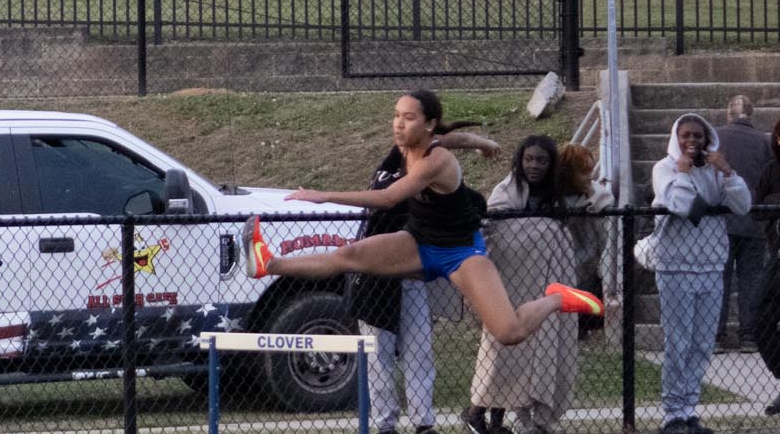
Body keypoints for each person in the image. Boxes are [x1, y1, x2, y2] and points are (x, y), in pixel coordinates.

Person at [242, 90, 603, 358]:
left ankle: (558, 298)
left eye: (409, 117)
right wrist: (483, 143)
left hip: (461, 252)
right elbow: (458, 137)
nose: (399, 124)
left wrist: (323, 195)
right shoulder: (412, 145)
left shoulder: (436, 160)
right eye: (396, 115)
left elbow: (389, 198)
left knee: (509, 332)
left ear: (428, 124)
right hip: (419, 242)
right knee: (347, 256)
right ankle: (268, 263)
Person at [348, 124, 499, 434]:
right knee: (378, 355)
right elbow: (449, 144)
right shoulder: (396, 171)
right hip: (375, 277)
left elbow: (451, 142)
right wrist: (482, 144)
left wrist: (482, 143)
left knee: (419, 350)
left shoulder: (428, 172)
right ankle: (385, 427)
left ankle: (423, 425)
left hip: (410, 276)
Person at [468, 136, 579, 434]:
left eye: (541, 160)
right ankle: (476, 413)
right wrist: (539, 229)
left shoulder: (558, 197)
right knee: (502, 351)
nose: (534, 166)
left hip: (543, 289)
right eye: (528, 159)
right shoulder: (505, 193)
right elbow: (493, 232)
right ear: (519, 161)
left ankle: (503, 422)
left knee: (535, 351)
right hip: (508, 286)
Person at [649, 112, 752, 434]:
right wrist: (682, 172)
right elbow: (680, 204)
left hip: (710, 265)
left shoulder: (714, 172)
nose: (692, 141)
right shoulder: (664, 169)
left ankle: (689, 409)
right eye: (686, 136)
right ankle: (672, 413)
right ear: (676, 138)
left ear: (708, 139)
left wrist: (727, 171)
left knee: (702, 343)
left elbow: (743, 205)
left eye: (698, 136)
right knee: (678, 342)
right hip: (675, 266)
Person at [718, 96, 772, 352]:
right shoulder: (765, 142)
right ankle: (749, 336)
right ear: (752, 115)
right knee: (752, 279)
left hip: (722, 220)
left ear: (728, 114)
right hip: (754, 220)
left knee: (720, 279)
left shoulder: (717, 137)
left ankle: (716, 335)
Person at [556, 143, 616, 342]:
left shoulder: (594, 194)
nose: (589, 177)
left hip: (588, 263)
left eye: (591, 170)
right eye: (583, 172)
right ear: (568, 172)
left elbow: (606, 201)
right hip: (561, 263)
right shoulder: (553, 199)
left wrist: (591, 203)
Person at [752, 113, 780, 415]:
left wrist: (774, 201)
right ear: (779, 139)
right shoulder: (771, 170)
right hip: (776, 260)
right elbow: (756, 209)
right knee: (759, 318)